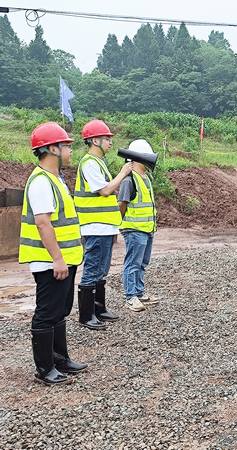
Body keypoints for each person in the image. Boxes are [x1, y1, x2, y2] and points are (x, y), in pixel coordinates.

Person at [20, 122, 87, 385]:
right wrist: (57, 259)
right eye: (66, 146)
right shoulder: (41, 182)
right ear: (50, 149)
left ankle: (60, 359)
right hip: (50, 262)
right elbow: (43, 223)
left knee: (60, 311)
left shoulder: (56, 180)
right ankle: (45, 369)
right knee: (47, 313)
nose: (70, 151)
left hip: (64, 260)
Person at [74, 119, 133, 330]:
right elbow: (105, 190)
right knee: (92, 269)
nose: (110, 142)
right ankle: (86, 315)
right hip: (94, 226)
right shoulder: (89, 162)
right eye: (106, 138)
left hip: (105, 226)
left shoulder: (99, 163)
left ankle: (99, 309)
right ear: (94, 140)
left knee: (102, 269)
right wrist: (123, 173)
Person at [118, 140, 159, 312]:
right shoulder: (129, 181)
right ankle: (130, 296)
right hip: (134, 229)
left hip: (147, 229)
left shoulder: (146, 179)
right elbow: (122, 204)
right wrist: (117, 225)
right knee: (133, 263)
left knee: (142, 262)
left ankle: (139, 292)